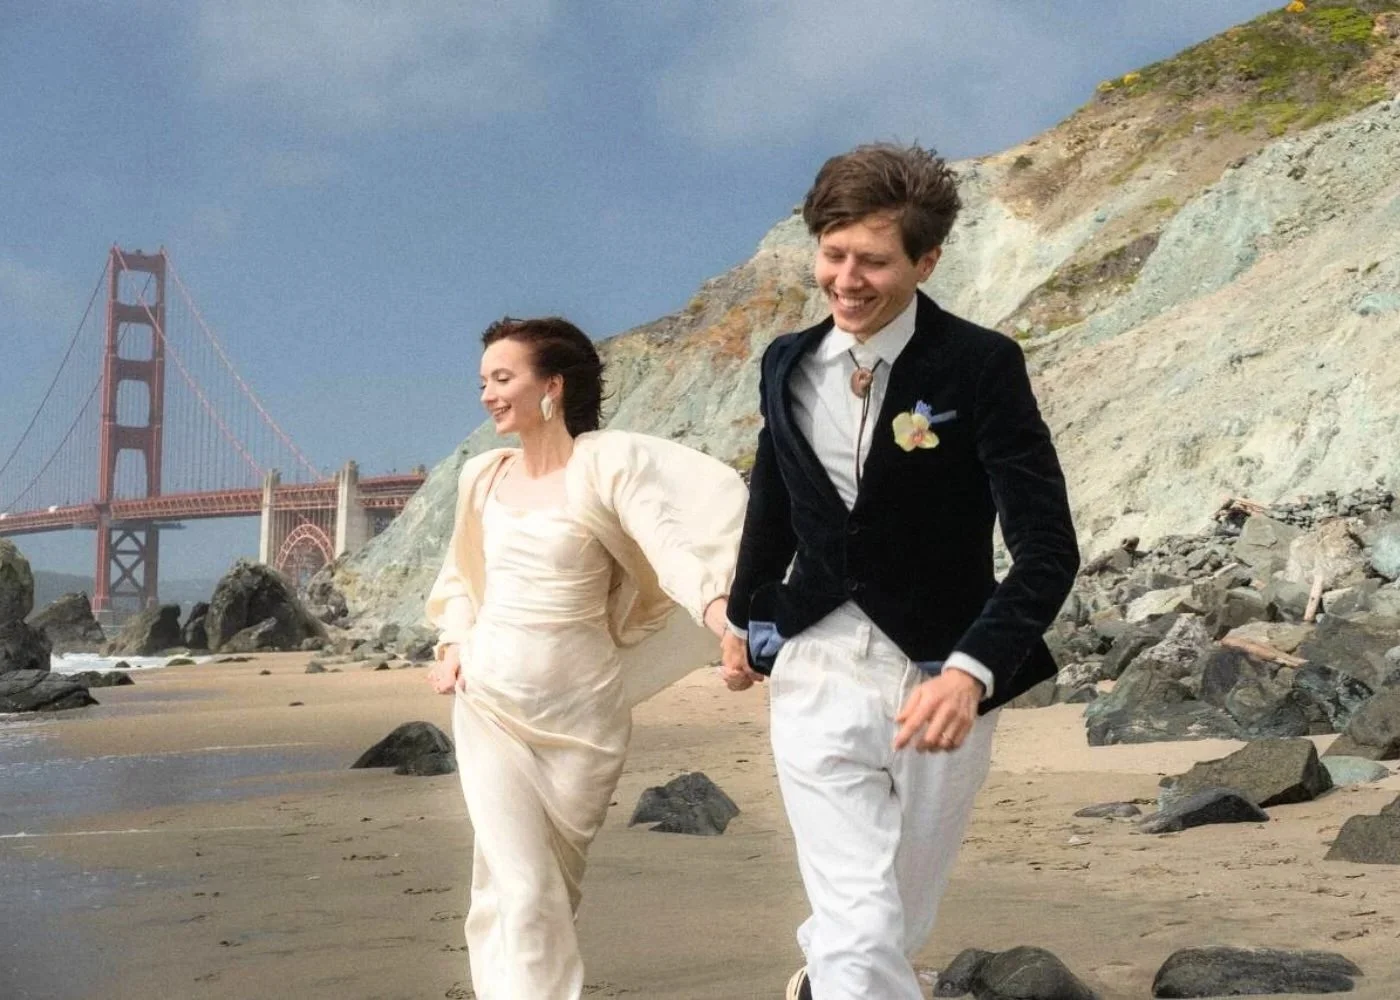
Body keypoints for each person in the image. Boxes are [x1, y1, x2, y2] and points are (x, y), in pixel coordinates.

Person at [719, 144, 1079, 1000]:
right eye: (833, 255)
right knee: (863, 922)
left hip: (939, 676)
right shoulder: (785, 364)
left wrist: (972, 670)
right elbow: (773, 501)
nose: (847, 279)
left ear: (926, 261)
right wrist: (745, 623)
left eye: (873, 261)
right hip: (813, 665)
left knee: (896, 915)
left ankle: (826, 983)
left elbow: (1048, 546)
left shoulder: (980, 366)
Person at [425, 316, 745, 999]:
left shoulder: (604, 467)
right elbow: (460, 577)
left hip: (583, 720)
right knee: (524, 887)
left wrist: (722, 617)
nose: (487, 393)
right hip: (491, 707)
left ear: (553, 386)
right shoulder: (481, 478)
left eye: (503, 378)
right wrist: (453, 644)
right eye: (483, 380)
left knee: (544, 893)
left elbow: (670, 551)